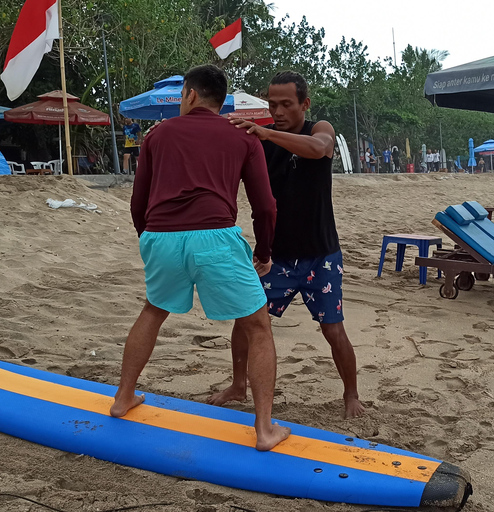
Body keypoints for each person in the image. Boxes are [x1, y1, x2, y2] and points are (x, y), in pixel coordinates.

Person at [111, 64, 290, 451]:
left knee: (153, 310)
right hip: (215, 238)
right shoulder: (243, 138)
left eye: (180, 97)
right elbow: (266, 206)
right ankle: (264, 430)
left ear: (190, 95)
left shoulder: (156, 137)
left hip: (161, 237)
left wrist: (151, 238)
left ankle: (123, 398)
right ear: (220, 100)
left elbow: (137, 202)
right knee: (257, 327)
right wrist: (263, 252)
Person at [223, 71, 365, 419]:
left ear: (305, 103)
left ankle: (351, 394)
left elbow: (319, 150)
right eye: (272, 105)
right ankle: (239, 385)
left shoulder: (320, 129)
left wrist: (266, 131)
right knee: (246, 321)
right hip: (278, 258)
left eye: (287, 104)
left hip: (321, 256)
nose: (279, 111)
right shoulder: (262, 143)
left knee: (333, 330)